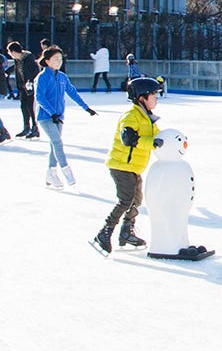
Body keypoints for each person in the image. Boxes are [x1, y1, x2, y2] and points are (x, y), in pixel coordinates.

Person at [90, 76, 163, 256]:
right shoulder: (131, 116)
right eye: (153, 95)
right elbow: (129, 138)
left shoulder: (147, 117)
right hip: (121, 165)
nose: (156, 98)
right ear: (142, 98)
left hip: (133, 168)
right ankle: (104, 232)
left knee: (136, 200)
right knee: (125, 200)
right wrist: (153, 142)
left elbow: (158, 136)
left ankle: (126, 231)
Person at [36, 46, 97, 188]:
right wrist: (52, 112)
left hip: (59, 116)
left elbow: (72, 92)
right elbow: (39, 97)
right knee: (57, 142)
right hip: (46, 117)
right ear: (47, 61)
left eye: (60, 59)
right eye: (55, 59)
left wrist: (86, 107)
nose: (59, 62)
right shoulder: (42, 77)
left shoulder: (62, 77)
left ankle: (51, 173)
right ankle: (66, 171)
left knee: (54, 144)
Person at [8, 42, 41, 138]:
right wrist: (7, 72)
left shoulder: (29, 58)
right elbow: (16, 69)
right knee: (23, 106)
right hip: (23, 86)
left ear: (13, 51)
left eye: (9, 52)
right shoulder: (17, 60)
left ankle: (35, 128)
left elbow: (35, 71)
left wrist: (31, 81)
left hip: (30, 86)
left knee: (30, 106)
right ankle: (26, 127)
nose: (9, 54)